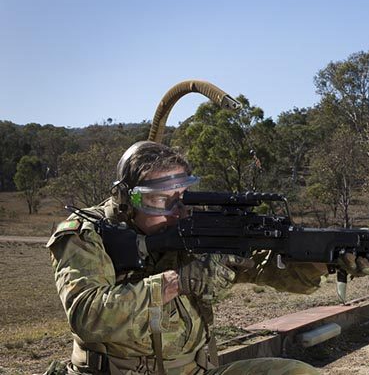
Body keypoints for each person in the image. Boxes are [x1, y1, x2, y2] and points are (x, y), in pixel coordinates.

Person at [47, 141, 338, 375]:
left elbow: (263, 268)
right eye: (162, 200)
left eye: (183, 196)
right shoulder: (87, 234)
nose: (178, 210)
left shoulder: (188, 228)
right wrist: (180, 282)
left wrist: (326, 258)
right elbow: (87, 315)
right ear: (127, 199)